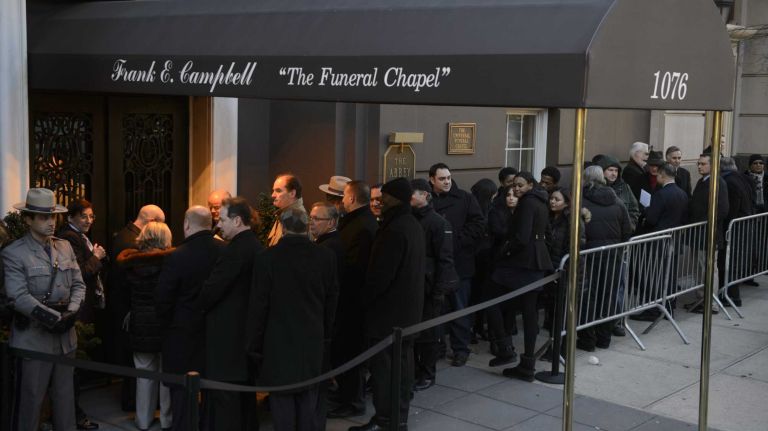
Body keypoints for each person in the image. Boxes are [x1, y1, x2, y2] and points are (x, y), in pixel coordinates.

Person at [246, 208, 339, 431]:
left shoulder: (267, 258)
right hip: (312, 337)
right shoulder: (325, 256)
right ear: (306, 225)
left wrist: (254, 345)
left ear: (284, 227)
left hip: (278, 340)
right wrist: (326, 334)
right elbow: (331, 299)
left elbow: (259, 305)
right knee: (309, 398)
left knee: (282, 402)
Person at [3, 188, 85, 431]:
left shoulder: (65, 248)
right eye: (43, 217)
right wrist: (53, 318)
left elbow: (79, 284)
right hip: (33, 341)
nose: (51, 222)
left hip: (65, 340)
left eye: (53, 217)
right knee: (30, 405)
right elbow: (18, 296)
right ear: (28, 219)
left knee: (65, 404)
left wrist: (71, 313)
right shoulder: (13, 253)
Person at [350, 178, 425, 431]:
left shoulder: (394, 229)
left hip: (388, 316)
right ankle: (397, 417)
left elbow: (380, 276)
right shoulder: (411, 224)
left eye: (385, 196)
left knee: (386, 371)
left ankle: (386, 419)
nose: (380, 201)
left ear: (396, 199)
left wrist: (363, 301)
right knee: (401, 368)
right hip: (407, 313)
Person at [196, 197, 264, 430]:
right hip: (241, 336)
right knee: (241, 401)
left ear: (237, 221)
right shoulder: (253, 245)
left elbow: (212, 290)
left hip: (228, 339)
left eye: (222, 220)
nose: (218, 225)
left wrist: (200, 301)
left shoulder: (236, 250)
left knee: (226, 403)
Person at [155, 206, 225, 431]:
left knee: (181, 395)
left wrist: (166, 325)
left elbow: (163, 298)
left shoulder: (178, 255)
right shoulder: (225, 251)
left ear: (186, 224)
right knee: (212, 393)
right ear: (210, 224)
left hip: (181, 334)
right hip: (215, 332)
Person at [487, 173, 553, 381]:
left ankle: (509, 351)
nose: (516, 189)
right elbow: (545, 233)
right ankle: (525, 361)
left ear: (530, 185)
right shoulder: (541, 202)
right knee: (529, 312)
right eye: (514, 185)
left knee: (491, 299)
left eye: (520, 185)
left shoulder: (527, 203)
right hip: (534, 260)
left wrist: (505, 251)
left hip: (522, 262)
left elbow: (522, 237)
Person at [117, 222, 175, 431]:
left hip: (140, 321)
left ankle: (142, 420)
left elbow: (124, 293)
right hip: (165, 322)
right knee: (166, 375)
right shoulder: (170, 262)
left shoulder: (131, 263)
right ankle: (167, 420)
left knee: (143, 374)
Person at [328, 180, 379, 419]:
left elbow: (354, 268)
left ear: (350, 198)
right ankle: (346, 395)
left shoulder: (360, 227)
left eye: (343, 197)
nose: (340, 202)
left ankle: (353, 401)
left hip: (352, 303)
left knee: (351, 353)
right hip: (350, 301)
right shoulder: (359, 223)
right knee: (345, 352)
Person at [109, 204, 165, 410]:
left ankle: (139, 408)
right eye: (161, 223)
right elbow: (126, 281)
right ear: (151, 223)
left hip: (133, 311)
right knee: (137, 366)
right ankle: (134, 403)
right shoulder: (131, 242)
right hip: (132, 311)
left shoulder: (125, 236)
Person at [429, 163, 486, 367]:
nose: (446, 182)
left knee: (459, 307)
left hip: (459, 263)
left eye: (448, 178)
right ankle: (437, 347)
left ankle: (460, 349)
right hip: (435, 264)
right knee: (436, 309)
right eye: (442, 178)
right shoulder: (428, 199)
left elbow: (478, 224)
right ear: (432, 180)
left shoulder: (465, 198)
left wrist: (456, 241)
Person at [57, 199, 106, 430]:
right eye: (84, 216)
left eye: (91, 216)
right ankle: (72, 415)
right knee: (72, 366)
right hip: (76, 309)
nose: (88, 220)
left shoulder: (79, 236)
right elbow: (81, 273)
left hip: (84, 307)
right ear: (71, 217)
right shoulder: (69, 237)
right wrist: (96, 257)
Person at [576, 166, 633, 351]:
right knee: (607, 295)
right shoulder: (617, 202)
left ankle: (587, 339)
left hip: (588, 256)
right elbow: (627, 231)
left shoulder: (580, 200)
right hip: (612, 255)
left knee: (588, 296)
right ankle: (604, 338)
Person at [410, 179, 458, 391]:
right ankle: (415, 371)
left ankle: (427, 373)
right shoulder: (411, 219)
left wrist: (439, 290)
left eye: (413, 194)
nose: (409, 197)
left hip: (430, 288)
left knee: (428, 334)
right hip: (416, 285)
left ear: (425, 195)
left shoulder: (438, 223)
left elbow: (445, 259)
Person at [308, 201, 344, 429]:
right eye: (310, 217)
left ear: (330, 222)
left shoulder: (328, 248)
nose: (311, 222)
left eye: (316, 219)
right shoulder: (327, 244)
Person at [686, 154, 729, 314]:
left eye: (703, 164)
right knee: (699, 269)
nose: (699, 166)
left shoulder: (718, 183)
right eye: (698, 164)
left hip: (708, 235)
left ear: (713, 165)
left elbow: (722, 209)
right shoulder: (702, 181)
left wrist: (704, 223)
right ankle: (701, 299)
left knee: (709, 270)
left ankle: (710, 303)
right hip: (698, 234)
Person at [484, 183, 519, 366]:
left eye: (515, 195)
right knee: (495, 304)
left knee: (509, 308)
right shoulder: (496, 213)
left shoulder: (523, 214)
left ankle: (506, 342)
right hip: (497, 264)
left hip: (514, 267)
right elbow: (498, 232)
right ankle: (498, 342)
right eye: (508, 195)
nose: (512, 198)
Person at [721, 157, 755, 306]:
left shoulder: (729, 182)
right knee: (732, 262)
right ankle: (730, 294)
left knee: (730, 262)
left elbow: (731, 208)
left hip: (735, 228)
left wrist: (726, 226)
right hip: (743, 225)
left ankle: (732, 296)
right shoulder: (743, 178)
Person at [595, 155, 640, 231]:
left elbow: (634, 209)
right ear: (602, 171)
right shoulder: (595, 188)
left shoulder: (625, 187)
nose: (614, 174)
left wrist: (630, 226)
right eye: (610, 170)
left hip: (621, 234)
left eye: (616, 171)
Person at [268, 173, 307, 246]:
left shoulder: (297, 218)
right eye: (273, 190)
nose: (273, 195)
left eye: (278, 191)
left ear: (292, 193)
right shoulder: (284, 213)